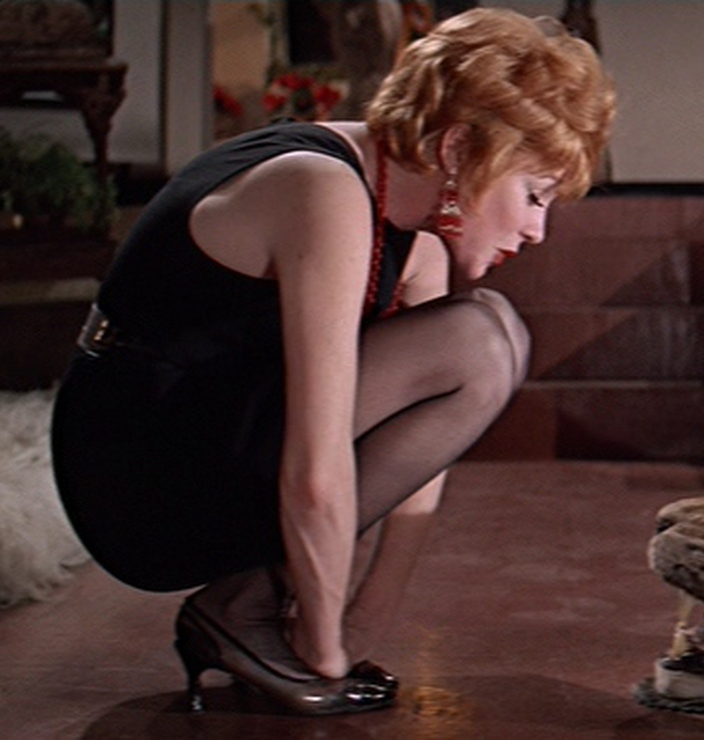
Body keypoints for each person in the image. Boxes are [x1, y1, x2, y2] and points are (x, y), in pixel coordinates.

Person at [50, 8, 614, 715]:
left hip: (212, 428)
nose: (537, 229)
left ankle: (242, 606)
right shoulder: (323, 191)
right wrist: (322, 651)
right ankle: (245, 611)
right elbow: (316, 464)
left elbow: (417, 456)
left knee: (490, 335)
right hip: (133, 469)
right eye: (534, 195)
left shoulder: (416, 234)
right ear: (458, 148)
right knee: (480, 339)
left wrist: (367, 617)